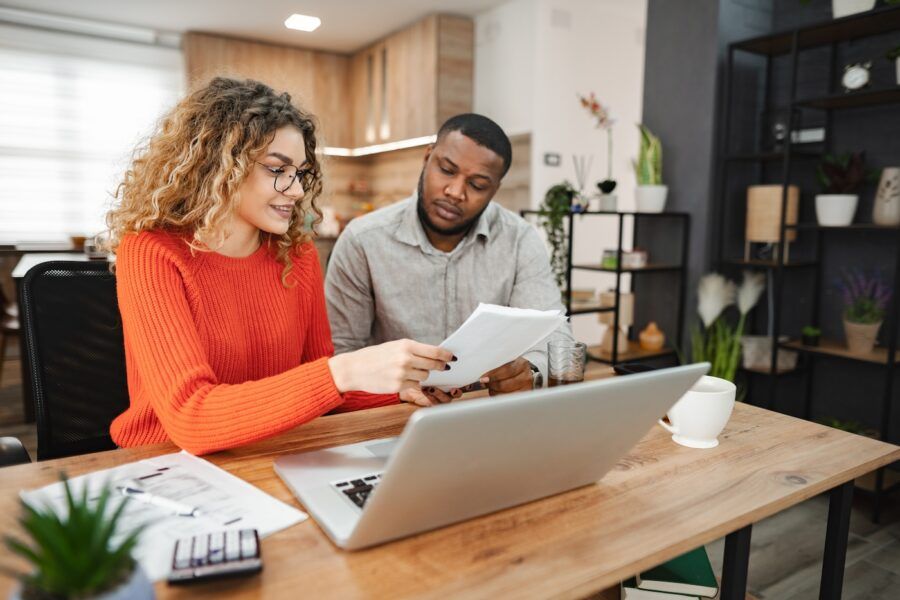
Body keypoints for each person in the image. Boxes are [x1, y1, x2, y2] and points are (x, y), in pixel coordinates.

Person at [105, 77, 452, 455]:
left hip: (271, 452)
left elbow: (319, 393)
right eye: (276, 170)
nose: (299, 190)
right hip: (165, 462)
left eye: (300, 172)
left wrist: (397, 390)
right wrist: (345, 371)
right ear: (217, 166)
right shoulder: (152, 252)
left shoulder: (296, 255)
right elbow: (192, 417)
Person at [325, 113, 573, 406]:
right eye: (446, 170)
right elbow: (341, 357)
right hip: (393, 413)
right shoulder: (362, 241)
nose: (455, 192)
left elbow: (557, 341)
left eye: (478, 185)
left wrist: (529, 373)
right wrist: (397, 391)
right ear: (427, 157)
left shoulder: (519, 240)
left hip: (487, 413)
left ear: (495, 190)